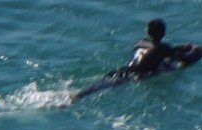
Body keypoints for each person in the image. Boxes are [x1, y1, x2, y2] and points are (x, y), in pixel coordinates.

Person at [72, 19, 202, 100]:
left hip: (122, 70)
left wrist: (182, 47)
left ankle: (76, 95)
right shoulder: (165, 49)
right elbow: (185, 59)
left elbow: (162, 49)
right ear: (163, 33)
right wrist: (196, 49)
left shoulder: (140, 42)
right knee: (104, 88)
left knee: (98, 86)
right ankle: (76, 97)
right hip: (137, 76)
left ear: (147, 31)